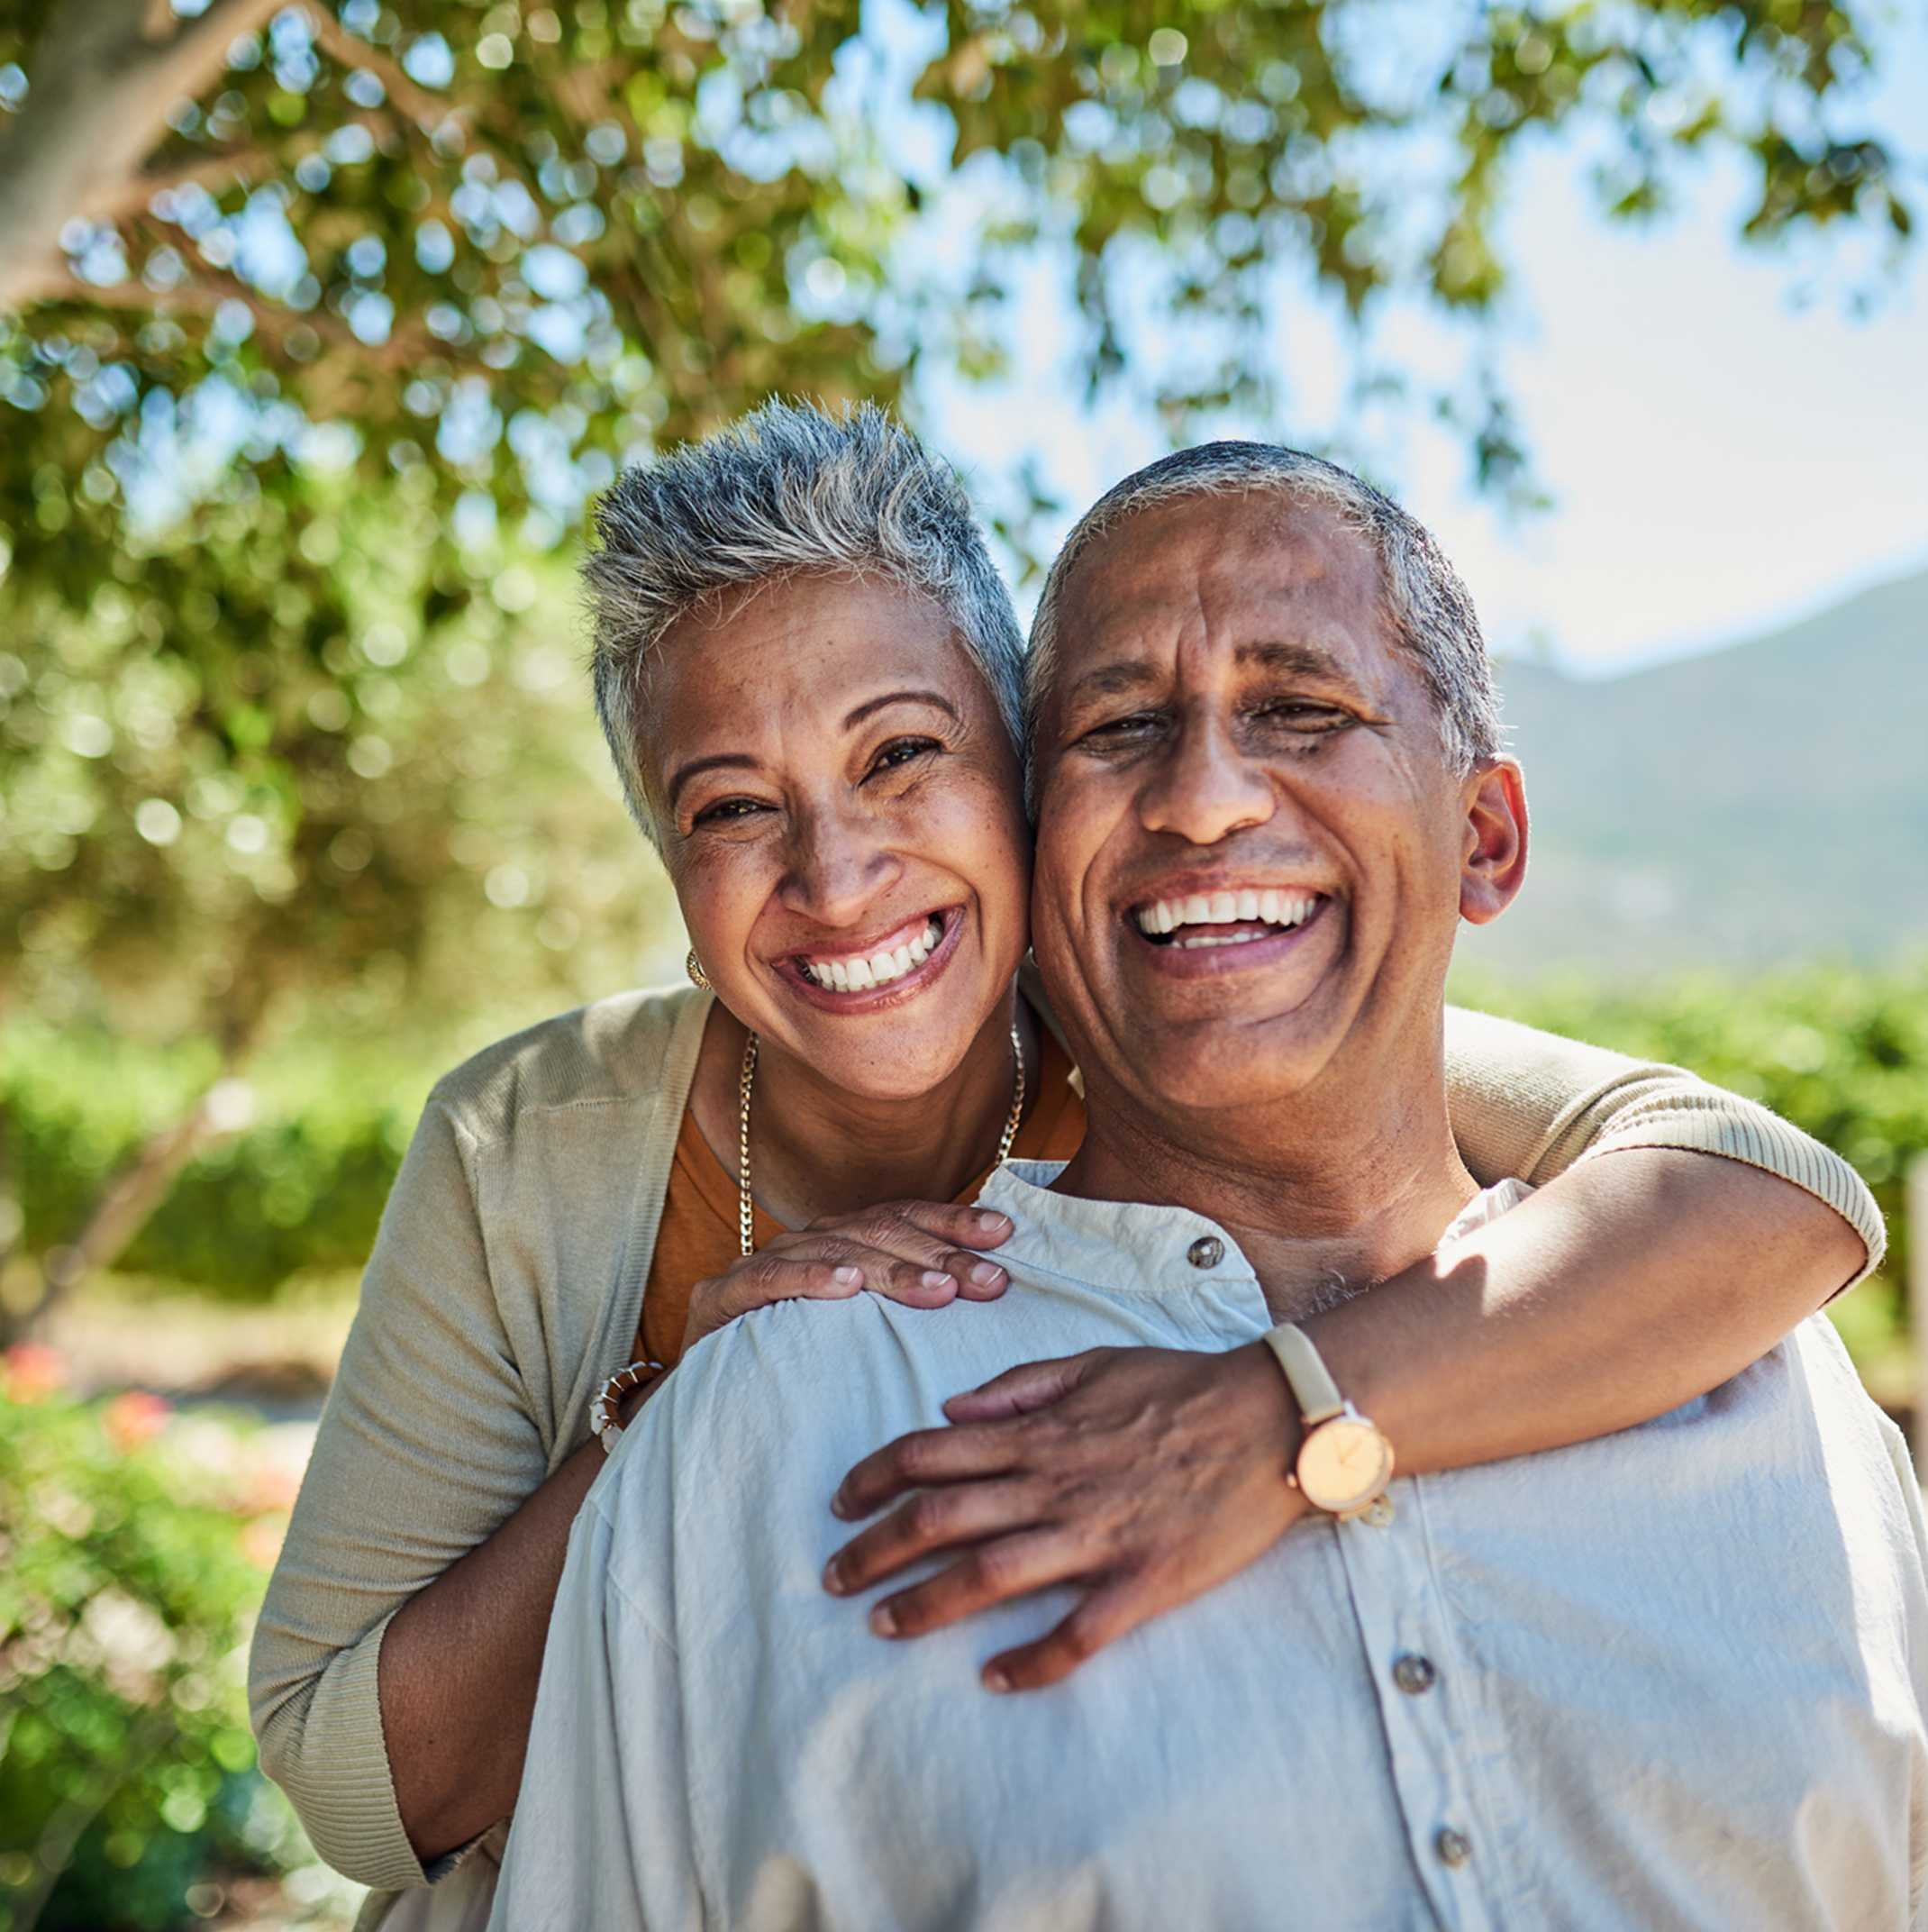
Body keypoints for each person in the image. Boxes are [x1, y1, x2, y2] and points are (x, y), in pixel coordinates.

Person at [250, 406, 1879, 1928]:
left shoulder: (1203, 992)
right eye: (734, 809)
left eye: (900, 757)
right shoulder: (548, 1162)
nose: (840, 874)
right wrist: (670, 1405)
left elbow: (1751, 1180)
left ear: (1014, 788)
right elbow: (353, 1780)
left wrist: (1282, 1415)